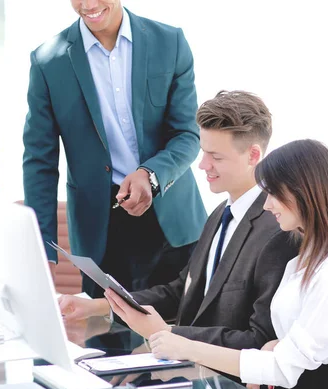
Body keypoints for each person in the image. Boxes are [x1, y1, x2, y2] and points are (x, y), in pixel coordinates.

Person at [136, 139, 328, 389]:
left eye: (274, 194)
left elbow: (284, 368)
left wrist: (186, 347)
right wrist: (273, 347)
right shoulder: (314, 246)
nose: (267, 205)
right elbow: (305, 336)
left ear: (303, 192)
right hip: (295, 387)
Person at [59, 90, 299, 356]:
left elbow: (261, 340)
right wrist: (98, 306)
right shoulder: (219, 214)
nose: (202, 165)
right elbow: (180, 292)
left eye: (216, 157)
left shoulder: (279, 230)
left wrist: (169, 336)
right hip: (190, 369)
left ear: (253, 155)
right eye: (203, 152)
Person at [22, 0, 207, 299]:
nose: (89, 4)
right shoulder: (47, 62)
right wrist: (43, 248)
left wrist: (150, 174)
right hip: (102, 233)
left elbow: (187, 134)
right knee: (107, 342)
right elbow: (39, 162)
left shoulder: (169, 42)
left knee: (183, 338)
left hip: (175, 221)